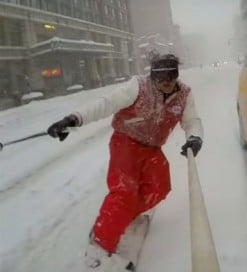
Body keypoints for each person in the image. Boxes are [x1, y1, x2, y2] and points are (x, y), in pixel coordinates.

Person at [47, 52, 203, 270]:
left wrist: (194, 137)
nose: (166, 84)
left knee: (160, 187)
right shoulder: (138, 86)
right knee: (124, 191)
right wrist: (74, 119)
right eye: (161, 78)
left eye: (171, 77)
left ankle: (123, 216)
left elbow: (192, 120)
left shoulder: (184, 94)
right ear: (153, 77)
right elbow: (106, 104)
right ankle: (99, 247)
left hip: (151, 148)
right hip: (125, 142)